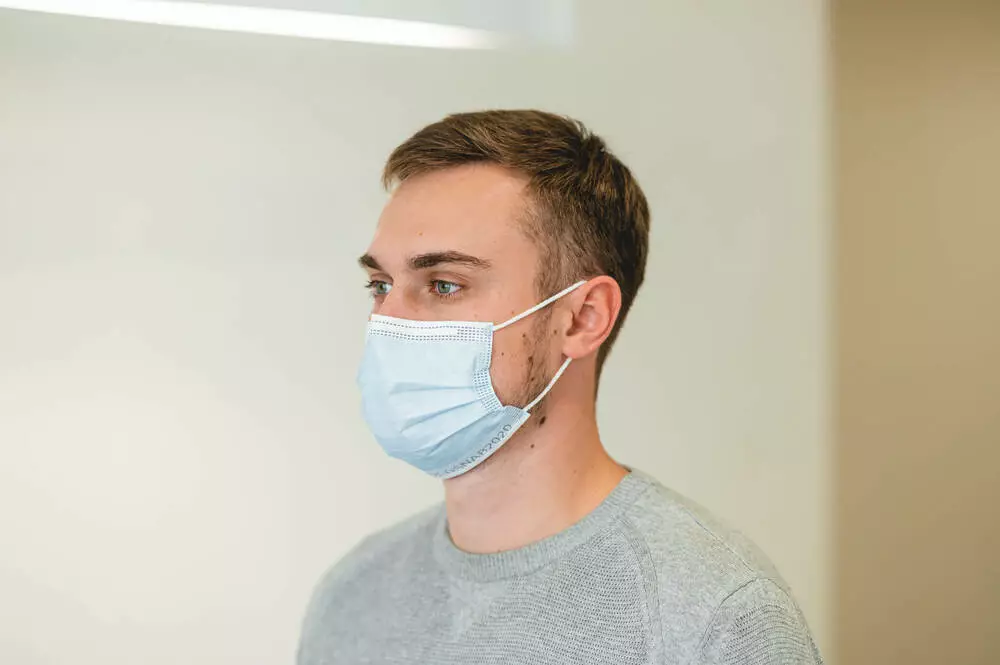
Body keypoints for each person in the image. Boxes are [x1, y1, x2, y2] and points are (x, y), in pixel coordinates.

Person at [298, 110, 822, 665]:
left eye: (444, 284)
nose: (389, 322)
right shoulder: (353, 595)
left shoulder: (714, 617)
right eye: (381, 285)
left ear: (583, 317)